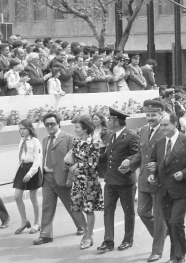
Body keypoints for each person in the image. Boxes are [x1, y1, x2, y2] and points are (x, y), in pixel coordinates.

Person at [147, 114, 186, 263]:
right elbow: (154, 164)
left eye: (166, 125)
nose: (163, 128)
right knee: (170, 223)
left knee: (175, 222)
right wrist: (152, 174)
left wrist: (185, 173)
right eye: (161, 125)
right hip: (164, 189)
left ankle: (179, 256)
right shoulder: (159, 143)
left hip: (182, 189)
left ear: (174, 124)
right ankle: (173, 255)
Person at [33, 112, 84, 245]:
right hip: (47, 177)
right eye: (47, 124)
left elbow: (74, 160)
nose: (50, 126)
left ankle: (82, 226)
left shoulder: (68, 138)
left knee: (70, 204)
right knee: (47, 206)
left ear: (58, 124)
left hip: (62, 177)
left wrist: (70, 177)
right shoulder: (45, 140)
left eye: (52, 124)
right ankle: (45, 235)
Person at [130, 100, 169, 262]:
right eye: (148, 115)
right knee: (142, 212)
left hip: (159, 181)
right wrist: (130, 164)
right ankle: (162, 234)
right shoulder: (144, 130)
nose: (150, 118)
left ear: (161, 115)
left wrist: (158, 171)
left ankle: (157, 250)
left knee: (159, 217)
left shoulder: (166, 131)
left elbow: (169, 157)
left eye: (154, 115)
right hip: (144, 179)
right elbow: (141, 153)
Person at [98, 107, 140, 253]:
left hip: (125, 181)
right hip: (110, 181)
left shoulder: (131, 136)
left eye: (109, 119)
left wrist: (128, 160)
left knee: (128, 212)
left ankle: (128, 240)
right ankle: (108, 240)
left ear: (116, 121)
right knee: (108, 211)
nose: (108, 121)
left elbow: (136, 154)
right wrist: (94, 160)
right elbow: (108, 156)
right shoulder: (112, 136)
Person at [69, 115, 104, 249]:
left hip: (89, 180)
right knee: (75, 207)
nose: (75, 129)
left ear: (85, 128)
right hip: (78, 180)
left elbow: (93, 163)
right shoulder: (76, 142)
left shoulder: (93, 142)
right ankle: (85, 230)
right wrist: (73, 169)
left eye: (77, 127)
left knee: (88, 209)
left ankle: (89, 236)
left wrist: (77, 167)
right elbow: (70, 159)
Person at [13, 119, 42, 235]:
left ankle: (37, 223)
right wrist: (17, 174)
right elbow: (20, 159)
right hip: (22, 169)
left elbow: (37, 161)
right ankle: (24, 221)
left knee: (33, 197)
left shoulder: (35, 142)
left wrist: (30, 174)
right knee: (17, 196)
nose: (22, 131)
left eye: (24, 128)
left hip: (32, 170)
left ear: (29, 129)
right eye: (20, 129)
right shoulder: (21, 141)